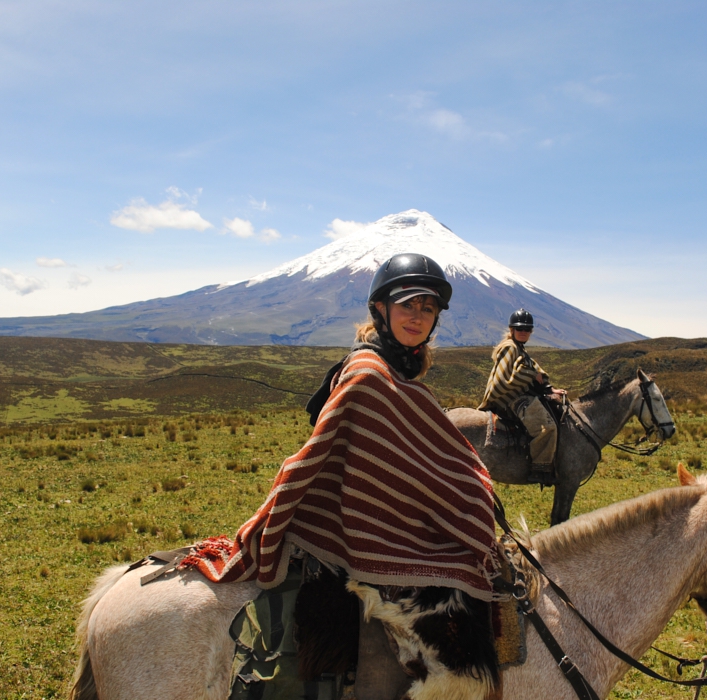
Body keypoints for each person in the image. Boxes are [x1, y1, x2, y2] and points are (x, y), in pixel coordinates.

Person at [182, 253, 501, 700]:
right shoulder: (369, 373)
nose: (417, 316)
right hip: (358, 527)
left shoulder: (398, 369)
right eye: (407, 304)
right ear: (380, 309)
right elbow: (365, 460)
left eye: (427, 308)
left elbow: (415, 460)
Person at [479, 308, 566, 484]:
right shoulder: (510, 348)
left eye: (527, 330)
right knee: (547, 427)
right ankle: (540, 469)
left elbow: (534, 369)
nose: (524, 332)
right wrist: (532, 376)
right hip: (511, 398)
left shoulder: (518, 348)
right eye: (520, 329)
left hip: (517, 394)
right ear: (512, 330)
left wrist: (549, 389)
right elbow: (503, 380)